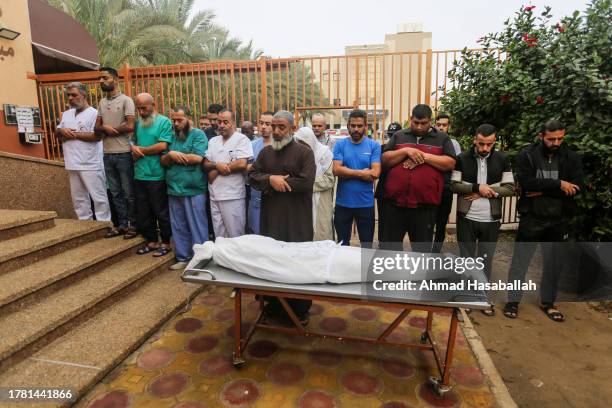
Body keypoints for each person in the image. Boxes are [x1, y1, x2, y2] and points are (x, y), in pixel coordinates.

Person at [504, 120, 583, 322]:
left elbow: (575, 188)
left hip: (559, 219)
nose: (556, 142)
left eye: (559, 138)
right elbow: (527, 182)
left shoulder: (571, 158)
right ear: (541, 136)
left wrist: (544, 190)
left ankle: (549, 302)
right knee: (520, 262)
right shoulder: (528, 155)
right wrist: (558, 184)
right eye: (551, 139)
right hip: (532, 218)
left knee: (553, 264)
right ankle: (512, 301)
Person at [249, 110, 316, 325]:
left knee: (298, 263)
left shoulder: (304, 153)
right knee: (273, 261)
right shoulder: (265, 153)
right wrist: (271, 178)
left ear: (292, 129)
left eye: (281, 127)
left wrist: (278, 183)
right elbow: (253, 176)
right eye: (273, 127)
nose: (276, 131)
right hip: (271, 219)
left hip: (297, 220)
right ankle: (274, 305)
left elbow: (306, 182)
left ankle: (299, 310)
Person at [451, 124, 515, 316]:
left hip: (491, 219)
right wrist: (478, 187)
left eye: (489, 144)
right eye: (481, 144)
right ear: (474, 140)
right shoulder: (462, 158)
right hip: (467, 217)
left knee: (486, 259)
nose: (485, 148)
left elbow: (510, 188)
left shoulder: (502, 159)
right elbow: (453, 185)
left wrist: (488, 192)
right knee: (466, 259)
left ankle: (482, 296)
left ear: (494, 142)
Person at [380, 104, 456, 252]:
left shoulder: (442, 138)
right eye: (416, 122)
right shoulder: (399, 135)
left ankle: (419, 275)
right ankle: (392, 275)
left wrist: (424, 156)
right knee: (390, 250)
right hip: (395, 205)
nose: (420, 127)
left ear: (430, 121)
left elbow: (450, 163)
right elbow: (385, 159)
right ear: (411, 119)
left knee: (421, 252)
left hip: (424, 208)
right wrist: (406, 151)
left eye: (424, 123)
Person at [161, 106, 209, 270]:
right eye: (173, 120)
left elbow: (197, 157)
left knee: (197, 224)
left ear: (189, 118)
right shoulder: (171, 137)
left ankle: (200, 260)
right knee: (179, 225)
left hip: (193, 187)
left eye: (179, 120)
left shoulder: (198, 134)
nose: (176, 123)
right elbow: (163, 161)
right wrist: (170, 155)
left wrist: (174, 155)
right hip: (174, 187)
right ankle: (183, 257)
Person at [56, 82, 111, 222]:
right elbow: (58, 132)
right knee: (79, 200)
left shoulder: (94, 114)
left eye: (74, 95)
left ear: (83, 95)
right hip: (72, 163)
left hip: (91, 163)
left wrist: (73, 134)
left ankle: (103, 225)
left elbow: (97, 136)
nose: (70, 98)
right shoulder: (66, 114)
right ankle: (85, 226)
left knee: (99, 198)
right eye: (68, 95)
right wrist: (61, 130)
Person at [95, 67, 138, 238]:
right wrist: (105, 128)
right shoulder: (101, 103)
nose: (101, 81)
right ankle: (122, 225)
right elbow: (96, 128)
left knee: (129, 193)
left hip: (123, 153)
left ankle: (134, 225)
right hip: (107, 154)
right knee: (115, 193)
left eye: (105, 78)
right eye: (100, 78)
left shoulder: (126, 100)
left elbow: (130, 126)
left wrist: (108, 129)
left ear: (115, 79)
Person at [132, 93, 174, 257]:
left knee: (160, 211)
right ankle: (151, 241)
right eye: (138, 108)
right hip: (139, 174)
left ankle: (165, 243)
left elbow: (162, 145)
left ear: (153, 105)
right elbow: (132, 142)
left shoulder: (164, 122)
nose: (141, 112)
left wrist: (141, 150)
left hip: (157, 175)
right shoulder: (137, 123)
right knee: (143, 212)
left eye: (144, 108)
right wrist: (133, 148)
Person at [332, 109, 381, 248]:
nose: (356, 129)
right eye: (353, 126)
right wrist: (361, 174)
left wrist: (346, 171)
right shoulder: (340, 145)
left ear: (366, 126)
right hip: (343, 204)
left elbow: (375, 173)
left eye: (360, 126)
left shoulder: (374, 146)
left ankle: (364, 270)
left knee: (366, 245)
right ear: (348, 126)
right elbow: (336, 170)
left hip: (365, 204)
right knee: (342, 245)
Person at [202, 109, 253, 238]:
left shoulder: (241, 139)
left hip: (233, 196)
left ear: (233, 123)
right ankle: (222, 259)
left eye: (226, 122)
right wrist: (217, 165)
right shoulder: (213, 141)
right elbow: (206, 164)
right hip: (214, 195)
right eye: (219, 122)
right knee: (219, 236)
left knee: (235, 236)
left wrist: (217, 170)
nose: (222, 125)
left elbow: (242, 164)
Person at [295, 127, 335, 241]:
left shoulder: (324, 154)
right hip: (302, 200)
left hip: (321, 200)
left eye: (304, 143)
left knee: (321, 233)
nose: (301, 147)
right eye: (299, 143)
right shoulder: (297, 155)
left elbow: (329, 180)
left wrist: (305, 185)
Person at [432, 113, 462, 252]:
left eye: (444, 125)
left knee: (442, 222)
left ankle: (436, 252)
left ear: (449, 126)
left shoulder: (454, 143)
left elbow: (455, 165)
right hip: (429, 188)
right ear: (434, 125)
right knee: (427, 221)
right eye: (439, 124)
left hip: (445, 188)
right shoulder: (429, 141)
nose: (441, 127)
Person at [247, 111, 274, 234]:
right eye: (261, 123)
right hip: (256, 195)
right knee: (256, 231)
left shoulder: (280, 145)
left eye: (267, 124)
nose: (263, 127)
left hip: (275, 196)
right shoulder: (252, 145)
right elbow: (247, 168)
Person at [376, 122, 403, 243]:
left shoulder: (406, 151)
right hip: (384, 192)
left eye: (395, 136)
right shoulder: (381, 149)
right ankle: (382, 246)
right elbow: (378, 170)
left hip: (399, 194)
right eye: (390, 135)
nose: (392, 139)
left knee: (397, 225)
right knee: (383, 223)